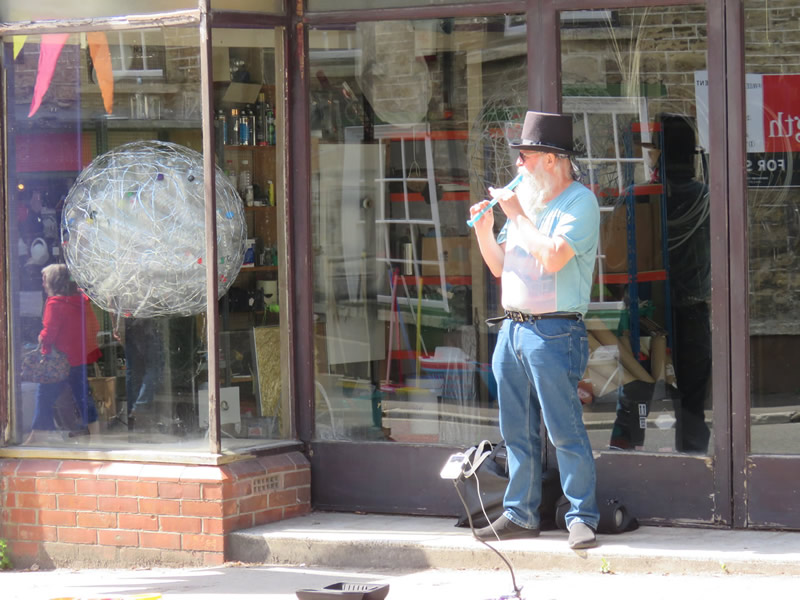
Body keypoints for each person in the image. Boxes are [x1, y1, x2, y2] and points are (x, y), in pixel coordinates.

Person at [469, 111, 601, 549]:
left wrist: (516, 215)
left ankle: (582, 515)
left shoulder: (579, 202)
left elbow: (553, 257)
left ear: (551, 158)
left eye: (524, 157)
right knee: (516, 432)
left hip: (555, 332)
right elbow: (500, 265)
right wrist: (487, 231)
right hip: (513, 329)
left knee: (564, 429)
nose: (518, 167)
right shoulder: (527, 202)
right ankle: (519, 513)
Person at [25, 264, 101, 443]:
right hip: (78, 358)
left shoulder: (54, 304)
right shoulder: (81, 301)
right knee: (83, 396)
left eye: (44, 279)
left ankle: (39, 434)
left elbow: (49, 333)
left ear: (53, 281)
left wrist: (41, 337)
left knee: (44, 395)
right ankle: (96, 435)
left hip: (57, 360)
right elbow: (94, 327)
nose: (42, 284)